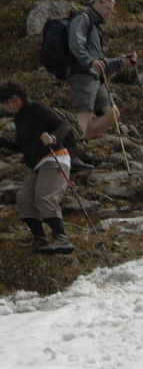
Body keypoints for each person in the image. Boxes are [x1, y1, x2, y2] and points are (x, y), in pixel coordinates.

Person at [0, 81, 75, 253]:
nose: (10, 105)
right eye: (6, 103)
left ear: (20, 97)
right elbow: (21, 147)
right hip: (38, 164)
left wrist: (53, 138)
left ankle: (61, 238)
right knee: (24, 197)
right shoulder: (19, 118)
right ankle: (40, 239)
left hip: (55, 158)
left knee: (44, 196)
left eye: (13, 100)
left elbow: (63, 125)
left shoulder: (36, 109)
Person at [66, 0, 137, 152]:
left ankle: (75, 144)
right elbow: (75, 43)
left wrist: (123, 61)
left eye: (111, 11)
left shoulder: (95, 27)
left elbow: (101, 62)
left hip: (96, 77)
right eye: (107, 9)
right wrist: (89, 61)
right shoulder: (83, 18)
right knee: (85, 110)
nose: (109, 14)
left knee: (113, 114)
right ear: (97, 3)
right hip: (82, 73)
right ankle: (74, 150)